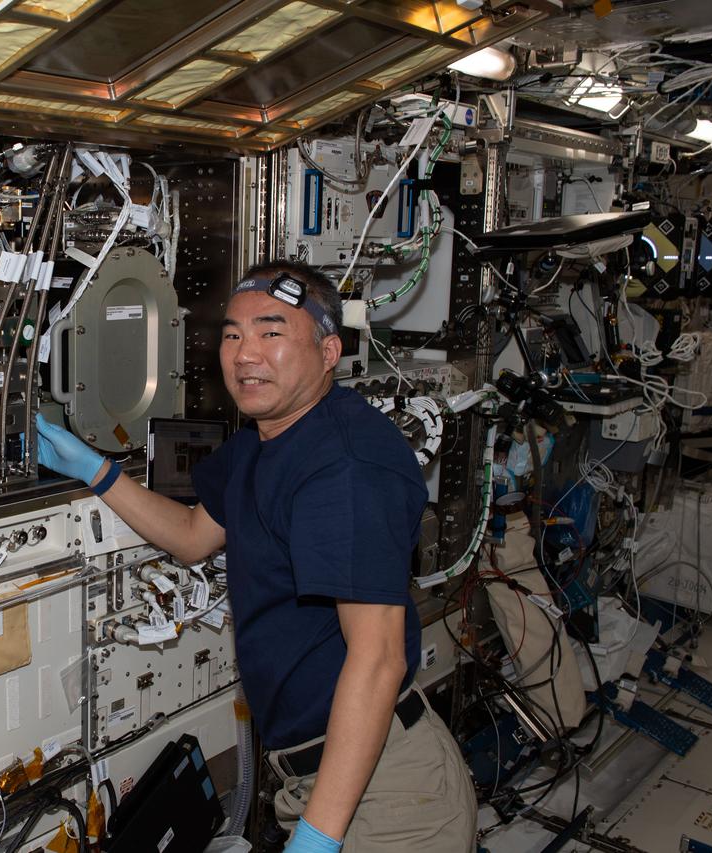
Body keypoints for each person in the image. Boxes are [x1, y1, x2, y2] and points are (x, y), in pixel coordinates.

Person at [35, 261, 476, 852]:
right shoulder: (261, 443)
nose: (246, 354)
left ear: (328, 351)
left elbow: (378, 661)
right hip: (318, 773)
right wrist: (95, 468)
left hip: (385, 796)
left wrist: (319, 837)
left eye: (272, 333)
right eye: (233, 335)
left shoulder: (343, 466)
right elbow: (193, 534)